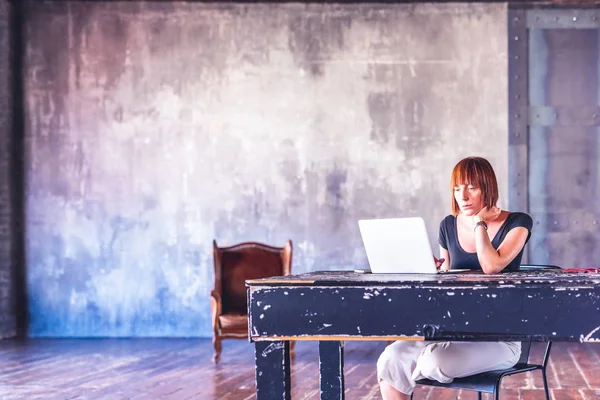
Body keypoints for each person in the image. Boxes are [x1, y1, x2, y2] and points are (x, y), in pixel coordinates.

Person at [377, 156, 533, 399]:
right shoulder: (447, 226)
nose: (463, 196)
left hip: (500, 341)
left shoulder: (518, 222)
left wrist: (479, 222)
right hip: (453, 333)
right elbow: (446, 291)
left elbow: (491, 266)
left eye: (472, 187)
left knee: (434, 361)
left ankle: (422, 359)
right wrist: (435, 272)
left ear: (487, 187)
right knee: (391, 358)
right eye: (457, 188)